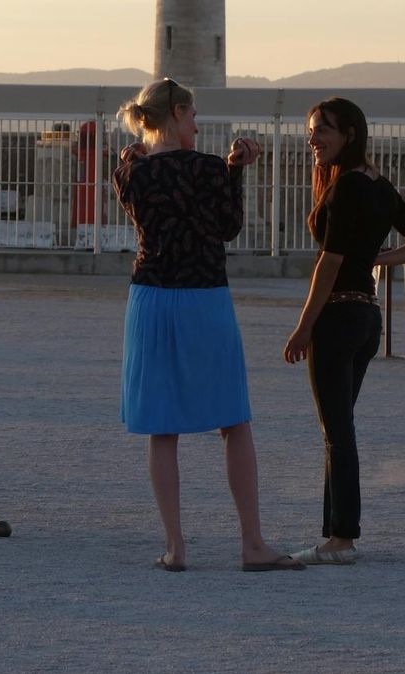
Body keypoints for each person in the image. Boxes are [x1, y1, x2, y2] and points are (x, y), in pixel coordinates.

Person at [113, 78, 303, 573]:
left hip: (151, 297)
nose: (197, 125)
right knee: (233, 421)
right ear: (176, 113)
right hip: (204, 297)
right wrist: (235, 171)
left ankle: (176, 547)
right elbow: (226, 226)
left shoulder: (130, 170)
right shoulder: (207, 168)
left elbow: (148, 181)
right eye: (193, 115)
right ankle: (252, 543)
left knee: (162, 427)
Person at [283, 97, 405, 565]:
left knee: (337, 432)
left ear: (349, 133)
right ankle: (333, 533)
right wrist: (377, 260)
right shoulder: (379, 184)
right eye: (311, 131)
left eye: (322, 130)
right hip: (367, 318)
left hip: (338, 318)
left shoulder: (347, 187)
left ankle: (343, 538)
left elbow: (328, 266)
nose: (313, 140)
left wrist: (302, 327)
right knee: (339, 429)